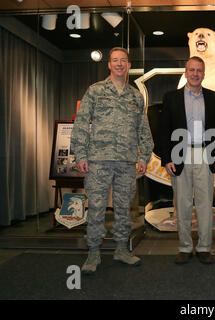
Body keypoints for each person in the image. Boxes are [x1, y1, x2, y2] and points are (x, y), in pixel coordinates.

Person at [71, 47, 154, 275]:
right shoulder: (96, 91)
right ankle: (94, 252)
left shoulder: (136, 96)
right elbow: (81, 123)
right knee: (96, 207)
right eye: (115, 60)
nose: (119, 64)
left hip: (127, 162)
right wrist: (81, 155)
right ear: (109, 64)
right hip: (98, 161)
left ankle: (121, 250)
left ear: (128, 65)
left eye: (123, 61)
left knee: (123, 209)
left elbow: (143, 130)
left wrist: (144, 156)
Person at [161, 56, 215, 265]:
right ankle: (185, 247)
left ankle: (205, 247)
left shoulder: (214, 98)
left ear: (203, 74)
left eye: (199, 70)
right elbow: (164, 130)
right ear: (186, 73)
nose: (195, 74)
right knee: (183, 203)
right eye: (192, 70)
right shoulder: (171, 97)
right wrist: (166, 158)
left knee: (206, 203)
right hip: (180, 154)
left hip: (206, 153)